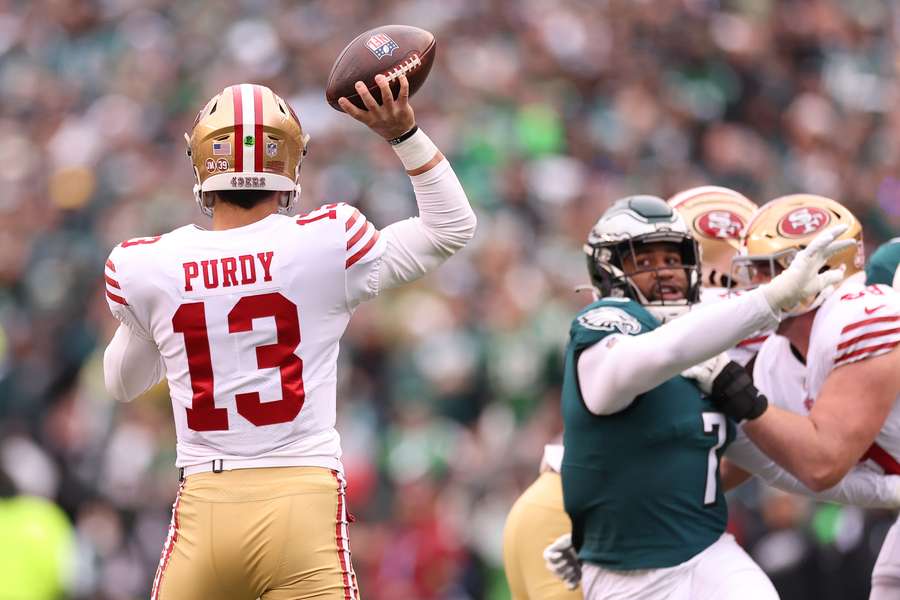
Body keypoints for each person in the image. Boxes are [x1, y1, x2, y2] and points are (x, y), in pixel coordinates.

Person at [102, 75, 476, 600]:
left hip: (206, 502)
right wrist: (404, 133)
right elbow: (450, 227)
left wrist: (154, 317)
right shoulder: (324, 242)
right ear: (290, 164)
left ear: (200, 164)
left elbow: (120, 383)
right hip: (302, 498)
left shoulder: (148, 265)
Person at [532, 191, 900, 598]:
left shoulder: (846, 321)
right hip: (628, 564)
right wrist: (610, 527)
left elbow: (798, 463)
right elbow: (655, 357)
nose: (666, 273)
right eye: (645, 261)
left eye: (673, 260)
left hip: (702, 551)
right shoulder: (609, 324)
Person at [702, 194, 900, 600]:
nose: (752, 285)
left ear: (822, 267)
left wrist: (731, 388)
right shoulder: (775, 359)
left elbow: (821, 462)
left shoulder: (860, 315)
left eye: (767, 269)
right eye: (751, 269)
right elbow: (730, 462)